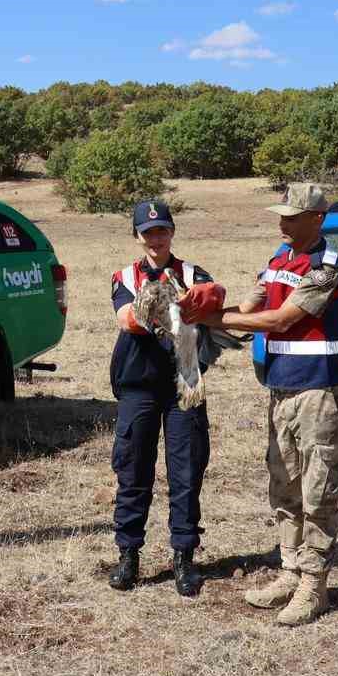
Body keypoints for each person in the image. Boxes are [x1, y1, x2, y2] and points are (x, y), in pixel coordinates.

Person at [194, 182, 338, 626]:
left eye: (292, 217)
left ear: (317, 219)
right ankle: (290, 571)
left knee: (318, 492)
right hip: (281, 389)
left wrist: (212, 318)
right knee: (284, 485)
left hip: (319, 391)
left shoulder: (327, 268)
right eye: (281, 215)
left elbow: (281, 321)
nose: (283, 223)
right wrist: (206, 309)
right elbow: (251, 306)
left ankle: (314, 586)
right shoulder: (279, 260)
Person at [106, 199, 226, 597]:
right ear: (137, 237)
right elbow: (128, 320)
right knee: (132, 469)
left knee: (187, 470)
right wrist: (173, 305)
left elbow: (213, 298)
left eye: (162, 230)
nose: (156, 238)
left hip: (184, 383)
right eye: (148, 232)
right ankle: (128, 554)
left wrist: (202, 298)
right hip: (138, 384)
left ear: (172, 232)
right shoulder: (125, 276)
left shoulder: (192, 272)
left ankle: (184, 557)